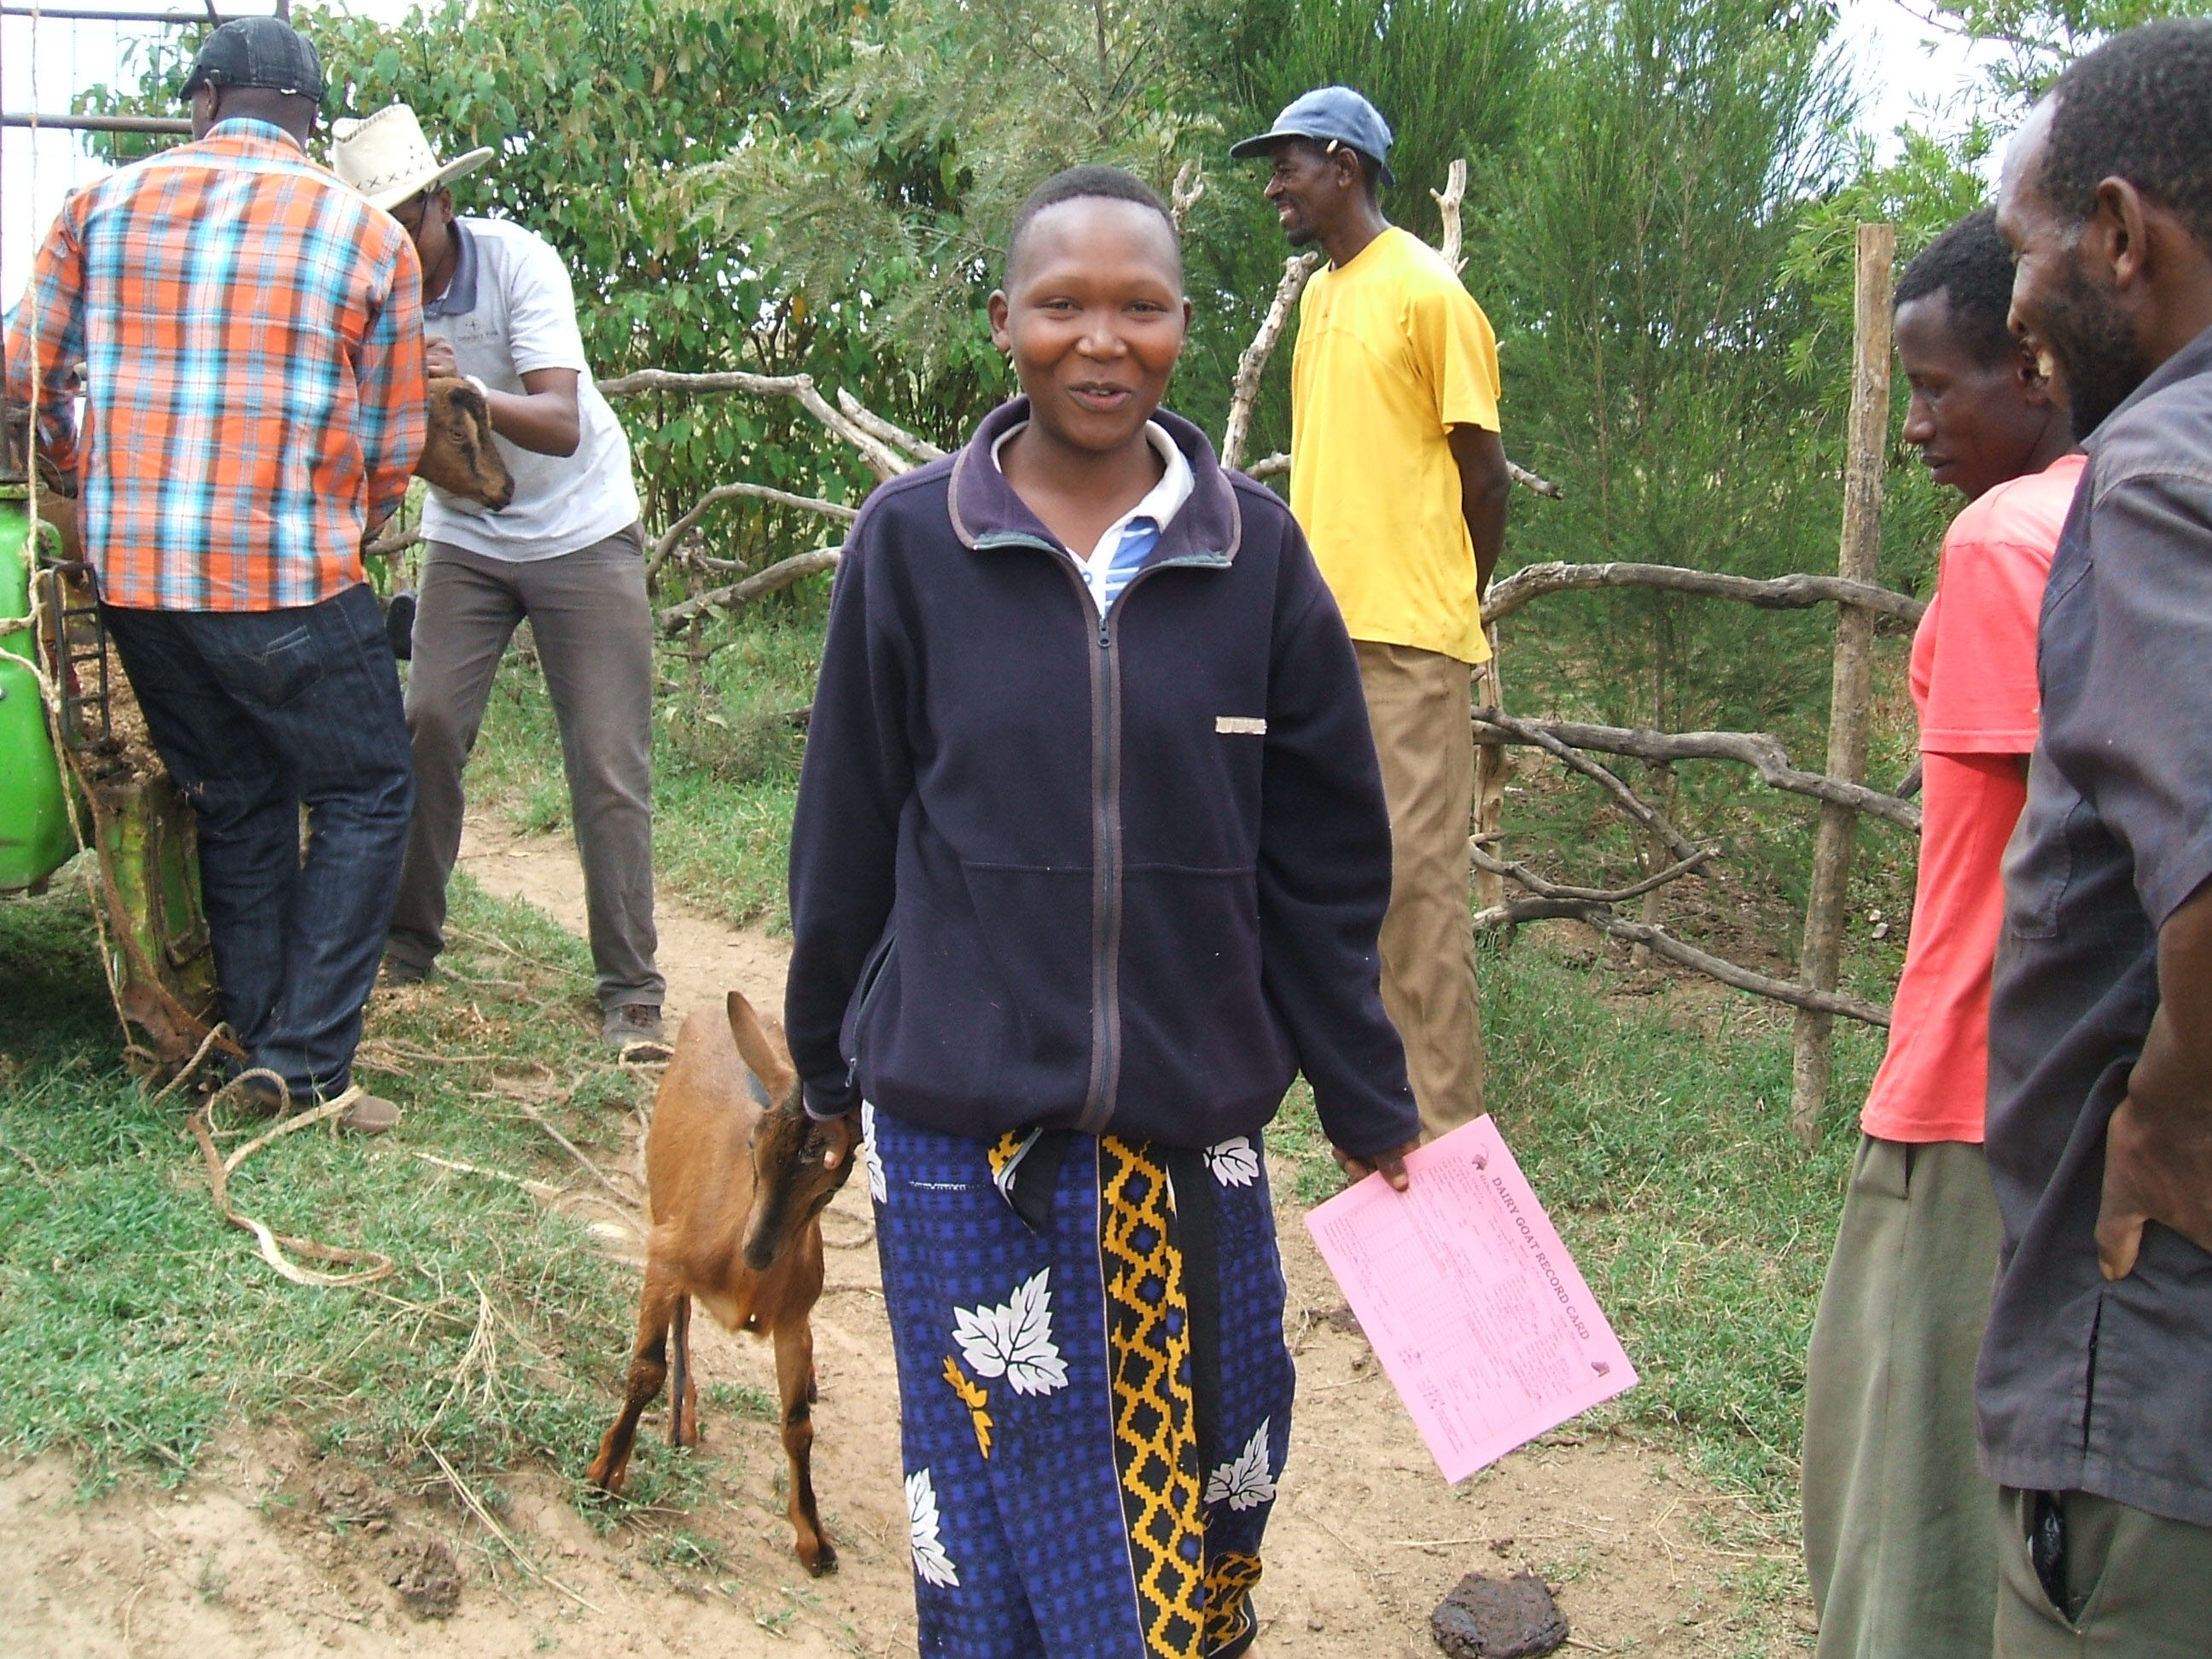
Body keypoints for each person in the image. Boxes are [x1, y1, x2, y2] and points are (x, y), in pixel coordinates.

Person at [784, 166, 1420, 1659]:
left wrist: (1366, 1090)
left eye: (1138, 305)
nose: (1099, 338)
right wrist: (827, 1070)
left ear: (1183, 327)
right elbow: (848, 831)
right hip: (959, 1140)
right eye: (1061, 303)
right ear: (1005, 319)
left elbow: (1323, 861)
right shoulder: (910, 543)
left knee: (1229, 1445)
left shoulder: (1254, 553)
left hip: (1192, 1130)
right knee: (992, 1517)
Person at [4, 18, 426, 1134]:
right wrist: (337, 531)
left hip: (138, 582)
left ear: (200, 105)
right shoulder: (368, 236)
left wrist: (69, 483)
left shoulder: (96, 208)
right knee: (369, 789)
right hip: (286, 579)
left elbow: (22, 381)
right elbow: (391, 449)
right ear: (311, 123)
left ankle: (259, 1037)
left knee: (239, 797)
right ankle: (307, 1065)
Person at [1798, 210, 2079, 1659]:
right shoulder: (2144, 508)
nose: (1914, 426)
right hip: (2084, 1109)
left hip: (1975, 1082)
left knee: (1894, 1520)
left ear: (2036, 361)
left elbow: (2063, 856)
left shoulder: (2006, 540)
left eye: (1935, 385)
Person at [1982, 20, 2212, 1653]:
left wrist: (2171, 1116)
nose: (2013, 307)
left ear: (2121, 235)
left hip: (2158, 1371)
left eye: (2025, 248)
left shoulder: (2151, 482)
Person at [331, 104, 665, 1050]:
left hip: (582, 528)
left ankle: (631, 992)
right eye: (374, 223)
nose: (390, 237)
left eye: (403, 217)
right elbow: (379, 440)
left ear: (440, 202)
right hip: (470, 535)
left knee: (606, 760)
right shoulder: (370, 289)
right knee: (426, 723)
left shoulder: (519, 264)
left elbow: (560, 420)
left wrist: (470, 390)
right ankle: (405, 947)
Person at [1231, 86, 1510, 1141]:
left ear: (1345, 166)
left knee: (1419, 904)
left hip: (1407, 648)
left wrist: (1449, 598)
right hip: (1318, 644)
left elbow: (1485, 479)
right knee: (1324, 883)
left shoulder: (1428, 294)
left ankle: (1446, 1150)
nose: (1275, 186)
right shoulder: (1321, 297)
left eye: (1289, 165)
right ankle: (1370, 1123)